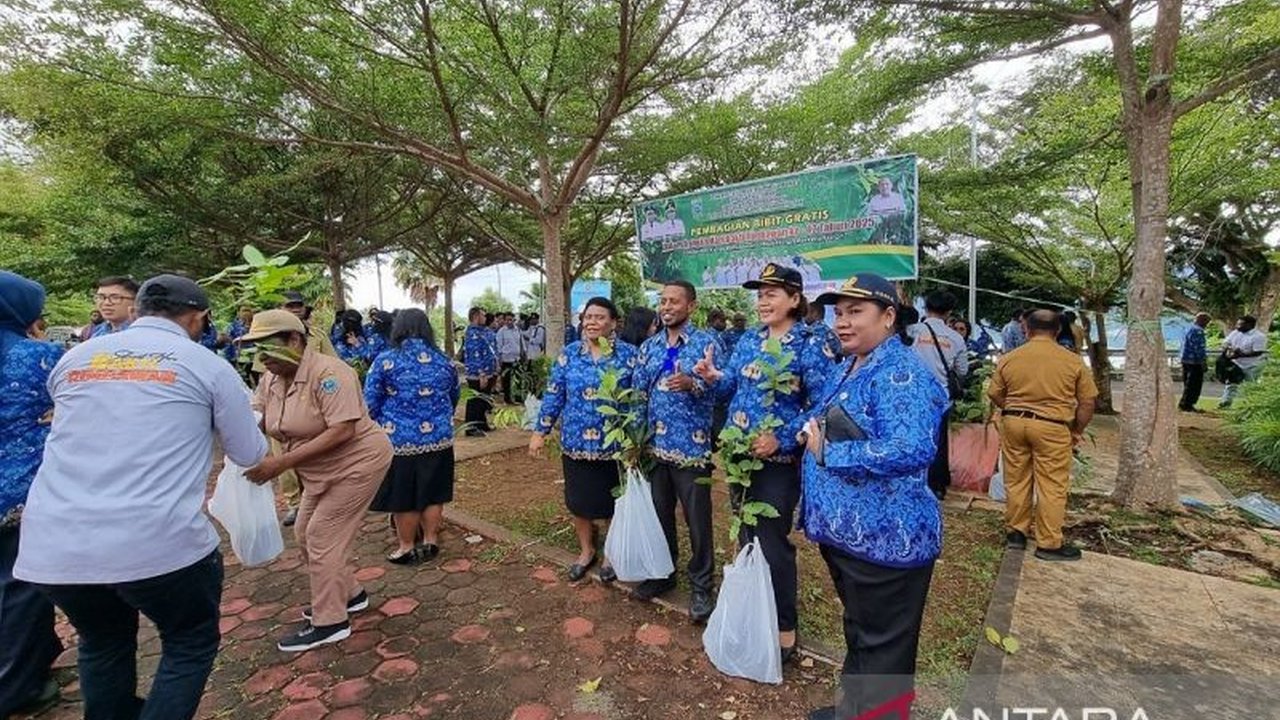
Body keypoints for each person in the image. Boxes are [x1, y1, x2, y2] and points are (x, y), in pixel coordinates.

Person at [15, 274, 267, 720]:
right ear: (199, 317)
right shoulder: (205, 364)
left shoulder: (77, 358)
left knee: (102, 642)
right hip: (155, 540)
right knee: (189, 642)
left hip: (55, 544)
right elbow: (249, 452)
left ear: (138, 309)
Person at [799, 273, 948, 720]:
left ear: (888, 317)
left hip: (887, 539)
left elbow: (911, 448)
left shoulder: (901, 373)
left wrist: (830, 453)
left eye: (855, 312)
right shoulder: (852, 364)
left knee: (885, 647)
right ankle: (854, 709)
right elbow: (819, 417)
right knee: (863, 631)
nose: (842, 322)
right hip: (849, 536)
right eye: (838, 312)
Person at [693, 264, 835, 663]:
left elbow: (822, 405)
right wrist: (713, 375)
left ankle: (784, 627)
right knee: (746, 534)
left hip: (778, 462)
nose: (762, 301)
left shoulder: (810, 343)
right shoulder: (750, 339)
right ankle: (754, 611)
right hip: (740, 456)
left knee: (772, 542)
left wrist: (782, 438)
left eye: (772, 293)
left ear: (795, 298)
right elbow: (733, 386)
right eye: (759, 294)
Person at [241, 309, 393, 652]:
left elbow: (342, 430)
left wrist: (281, 464)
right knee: (303, 532)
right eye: (257, 349)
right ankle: (350, 595)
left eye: (268, 346)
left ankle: (330, 621)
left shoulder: (330, 373)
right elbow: (259, 417)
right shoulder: (271, 378)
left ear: (295, 340)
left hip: (357, 463)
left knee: (322, 536)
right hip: (318, 470)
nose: (262, 357)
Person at [530, 297, 637, 582]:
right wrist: (540, 432)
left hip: (615, 446)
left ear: (613, 323)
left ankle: (611, 555)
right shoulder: (569, 355)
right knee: (579, 502)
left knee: (614, 503)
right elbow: (554, 394)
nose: (592, 322)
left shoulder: (629, 356)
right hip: (576, 444)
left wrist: (636, 442)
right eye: (588, 317)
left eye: (599, 317)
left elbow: (638, 400)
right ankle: (586, 551)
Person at [633, 281, 721, 622]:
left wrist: (694, 383)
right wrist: (637, 440)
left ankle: (701, 586)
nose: (667, 306)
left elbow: (723, 389)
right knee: (660, 515)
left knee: (697, 519)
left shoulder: (706, 344)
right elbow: (639, 394)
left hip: (691, 449)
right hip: (655, 447)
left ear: (691, 306)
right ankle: (663, 573)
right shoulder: (650, 346)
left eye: (674, 301)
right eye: (663, 300)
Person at [0, 272, 64, 718]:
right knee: (24, 586)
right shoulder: (39, 357)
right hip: (23, 490)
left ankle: (37, 659)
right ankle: (16, 686)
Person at [988, 309, 1097, 562]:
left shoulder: (1010, 358)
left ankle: (1016, 533)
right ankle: (1048, 543)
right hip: (1053, 426)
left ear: (1026, 329)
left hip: (1015, 423)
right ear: (1058, 330)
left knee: (1016, 479)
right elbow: (1088, 402)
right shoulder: (1072, 361)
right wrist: (1077, 430)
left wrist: (1012, 408)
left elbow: (994, 392)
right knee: (1052, 485)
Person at [364, 309, 460, 564]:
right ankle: (430, 541)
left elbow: (370, 402)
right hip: (439, 440)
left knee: (403, 495)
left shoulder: (385, 360)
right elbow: (453, 396)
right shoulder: (444, 361)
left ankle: (406, 547)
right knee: (434, 492)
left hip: (399, 441)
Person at [909, 291, 968, 500]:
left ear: (925, 308)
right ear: (949, 312)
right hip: (940, 398)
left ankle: (912, 481)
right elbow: (962, 370)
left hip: (912, 395)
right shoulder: (956, 338)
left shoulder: (912, 331)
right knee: (939, 442)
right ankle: (937, 485)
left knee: (911, 437)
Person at [462, 307, 499, 437]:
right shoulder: (472, 333)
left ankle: (482, 424)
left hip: (487, 372)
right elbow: (475, 356)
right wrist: (481, 374)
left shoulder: (482, 331)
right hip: (477, 374)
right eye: (483, 315)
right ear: (476, 316)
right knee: (475, 401)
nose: (485, 318)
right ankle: (471, 427)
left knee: (484, 400)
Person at [1219, 314, 1268, 408]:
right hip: (1236, 363)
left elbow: (1258, 352)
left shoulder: (1259, 336)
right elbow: (1225, 343)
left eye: (1240, 324)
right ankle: (1225, 403)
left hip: (1252, 365)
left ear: (1249, 325)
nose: (1237, 326)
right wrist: (1229, 349)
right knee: (1231, 383)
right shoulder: (1235, 333)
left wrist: (1240, 354)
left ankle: (1252, 406)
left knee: (1250, 385)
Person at [1178, 312, 1211, 412]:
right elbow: (1199, 348)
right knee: (1194, 384)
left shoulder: (1188, 328)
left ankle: (1185, 403)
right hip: (1194, 361)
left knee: (1187, 383)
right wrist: (1203, 362)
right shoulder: (1198, 331)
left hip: (1185, 359)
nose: (1207, 325)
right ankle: (1187, 404)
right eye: (1207, 322)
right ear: (1202, 320)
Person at [496, 312, 526, 404]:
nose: (509, 322)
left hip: (517, 359)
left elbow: (521, 343)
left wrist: (524, 354)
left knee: (518, 379)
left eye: (511, 320)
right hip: (506, 360)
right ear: (505, 321)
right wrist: (499, 361)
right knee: (507, 380)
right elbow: (499, 347)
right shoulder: (501, 332)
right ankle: (507, 399)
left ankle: (518, 397)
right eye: (507, 320)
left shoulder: (518, 330)